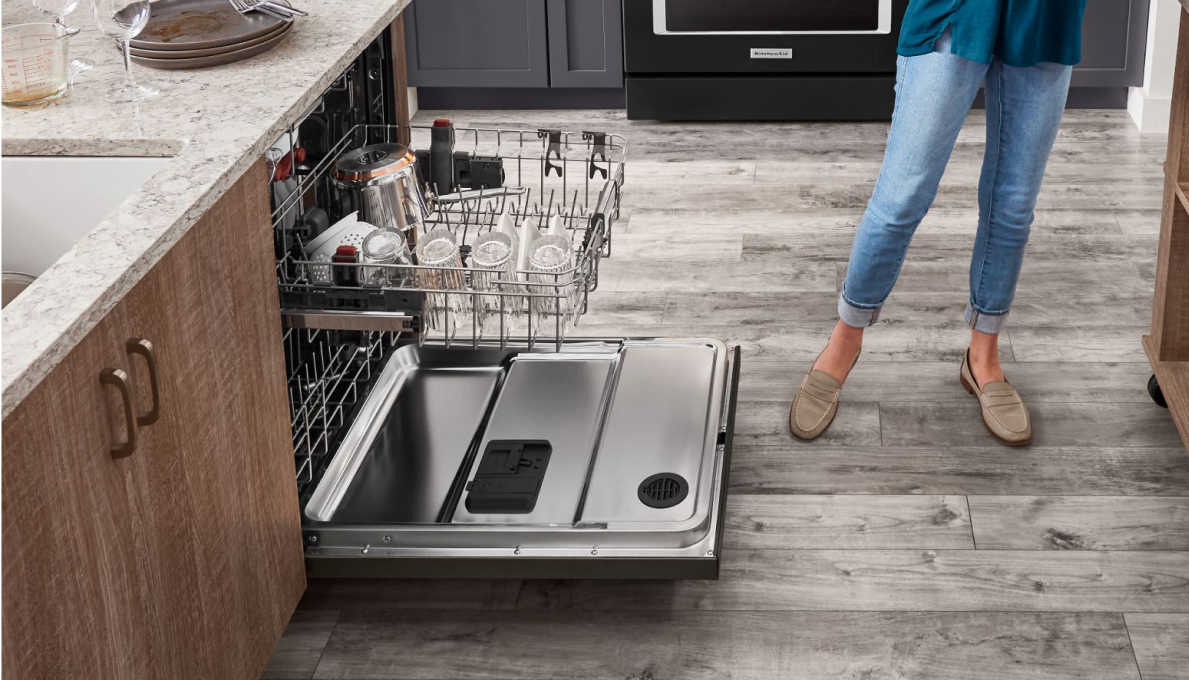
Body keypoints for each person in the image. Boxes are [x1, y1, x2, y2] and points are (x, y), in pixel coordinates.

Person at [789, 0, 1088, 446]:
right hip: (956, 11)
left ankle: (982, 355)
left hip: (1046, 16)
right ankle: (845, 340)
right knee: (900, 199)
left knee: (1013, 206)